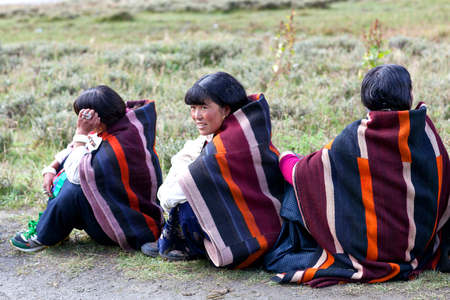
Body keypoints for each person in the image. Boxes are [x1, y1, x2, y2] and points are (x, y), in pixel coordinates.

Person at [264, 64, 450, 287]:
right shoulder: (426, 133)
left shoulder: (355, 138)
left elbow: (300, 173)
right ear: (408, 94)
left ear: (366, 99)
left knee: (302, 187)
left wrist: (286, 157)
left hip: (367, 251)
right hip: (417, 248)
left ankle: (295, 244)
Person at [141, 72, 285, 269]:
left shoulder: (228, 146)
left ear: (226, 109)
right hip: (266, 227)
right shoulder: (239, 129)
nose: (196, 116)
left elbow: (169, 196)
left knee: (186, 208)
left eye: (204, 108)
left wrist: (180, 181)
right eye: (193, 108)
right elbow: (187, 155)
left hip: (252, 237)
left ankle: (190, 247)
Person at [10, 85, 164, 252]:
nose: (81, 121)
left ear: (96, 118)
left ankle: (44, 235)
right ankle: (57, 227)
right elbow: (78, 148)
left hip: (130, 224)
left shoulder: (119, 144)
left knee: (75, 189)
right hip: (118, 205)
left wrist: (81, 132)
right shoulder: (117, 123)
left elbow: (76, 174)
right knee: (74, 164)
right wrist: (51, 169)